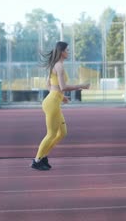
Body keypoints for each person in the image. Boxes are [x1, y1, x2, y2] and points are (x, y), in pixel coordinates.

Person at [31, 41, 90, 171]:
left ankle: (44, 156)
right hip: (51, 103)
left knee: (62, 133)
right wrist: (81, 86)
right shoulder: (59, 66)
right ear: (62, 52)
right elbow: (63, 87)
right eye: (67, 50)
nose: (68, 52)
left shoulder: (56, 65)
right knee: (51, 134)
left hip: (53, 102)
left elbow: (49, 84)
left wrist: (61, 97)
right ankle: (36, 160)